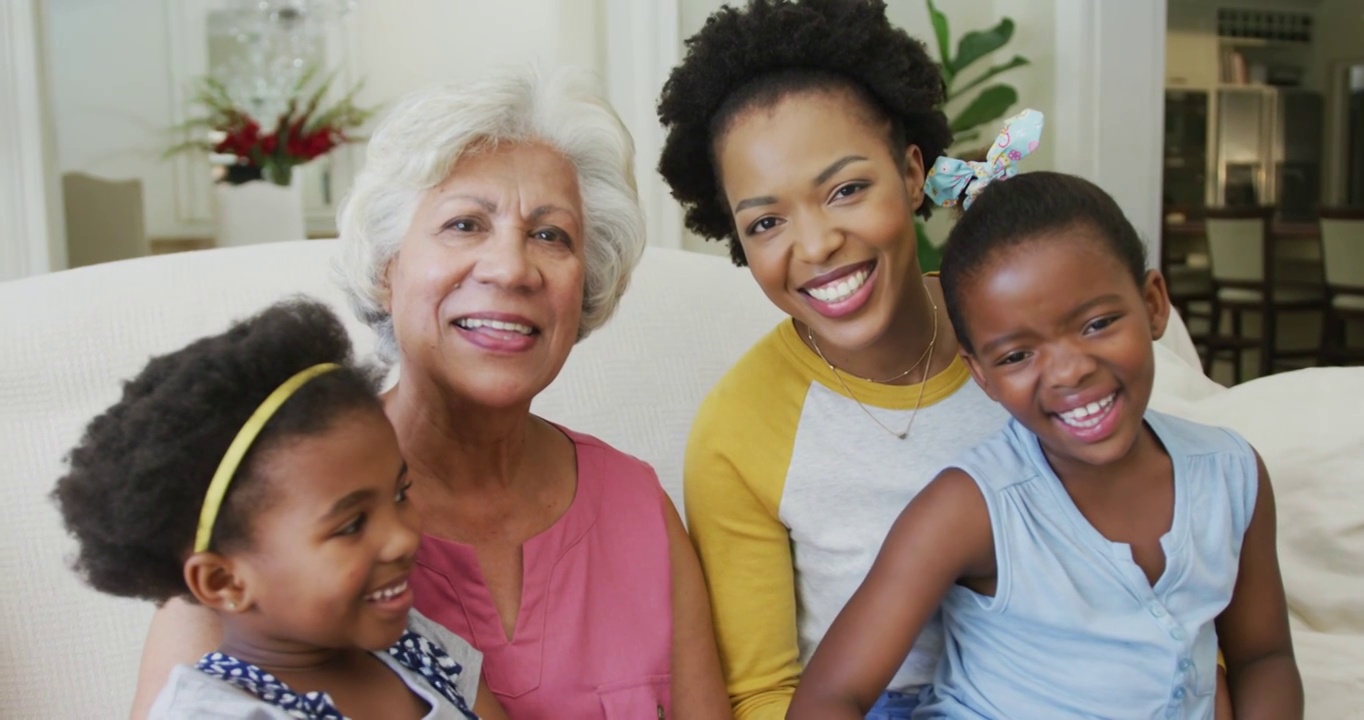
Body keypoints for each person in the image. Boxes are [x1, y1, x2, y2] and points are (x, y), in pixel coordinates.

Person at [131, 67, 730, 719]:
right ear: (388, 269)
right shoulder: (261, 520)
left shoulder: (638, 507)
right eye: (466, 224)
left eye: (550, 234)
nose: (511, 267)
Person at [789, 170, 1303, 719]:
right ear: (981, 375)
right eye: (1015, 356)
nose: (1068, 372)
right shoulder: (971, 508)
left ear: (1154, 304)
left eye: (1098, 323)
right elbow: (830, 697)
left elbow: (1263, 658)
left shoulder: (1231, 475)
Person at [656, 1, 1007, 717]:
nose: (815, 246)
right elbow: (760, 692)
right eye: (766, 222)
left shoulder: (1021, 338)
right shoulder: (738, 428)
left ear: (913, 175)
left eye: (846, 190)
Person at [52, 299, 506, 719]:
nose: (404, 537)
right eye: (350, 525)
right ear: (224, 580)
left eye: (400, 493)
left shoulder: (416, 645)